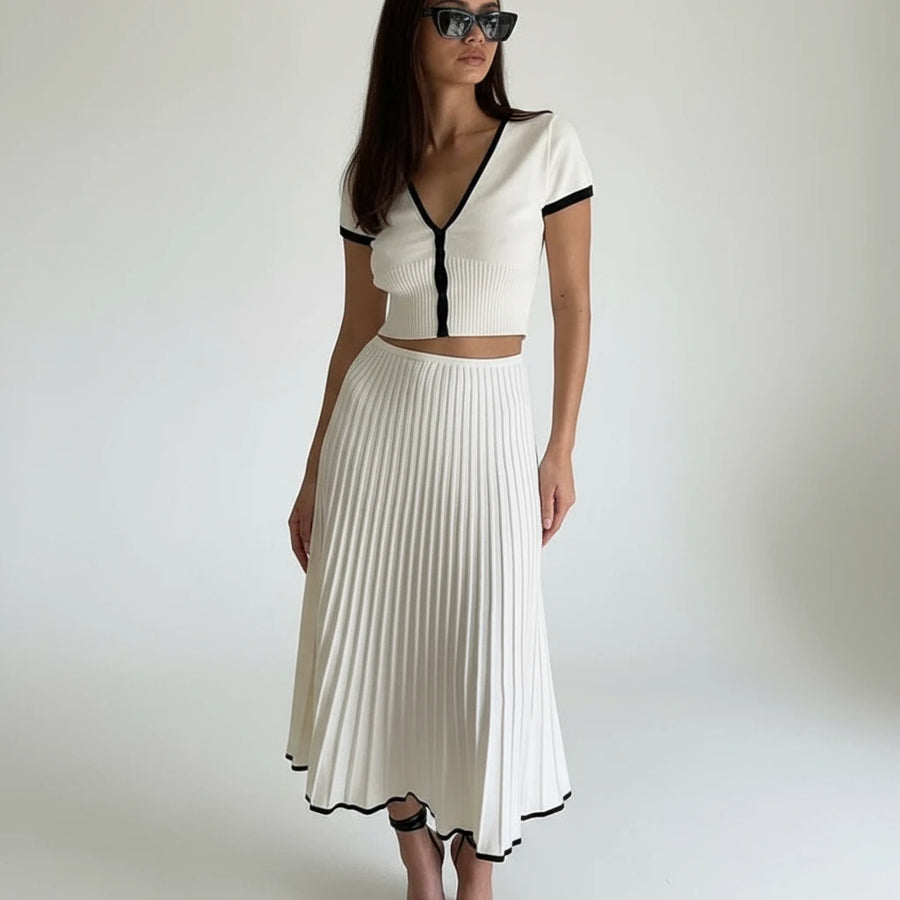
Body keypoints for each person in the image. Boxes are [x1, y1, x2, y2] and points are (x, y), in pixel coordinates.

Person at [285, 2, 592, 897]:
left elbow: (572, 304)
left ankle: (479, 859)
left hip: (490, 422)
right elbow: (354, 330)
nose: (476, 36)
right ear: (405, 30)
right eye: (452, 15)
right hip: (379, 429)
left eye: (494, 18)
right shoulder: (370, 174)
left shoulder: (545, 146)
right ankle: (417, 850)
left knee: (485, 643)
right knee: (388, 642)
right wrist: (313, 474)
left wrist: (560, 447)